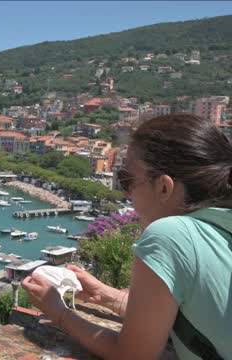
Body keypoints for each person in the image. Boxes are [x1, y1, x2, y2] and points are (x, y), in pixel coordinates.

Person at [22, 113, 232, 360]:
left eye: (127, 180)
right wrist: (107, 296)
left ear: (164, 187)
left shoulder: (171, 235)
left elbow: (132, 355)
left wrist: (60, 313)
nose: (125, 195)